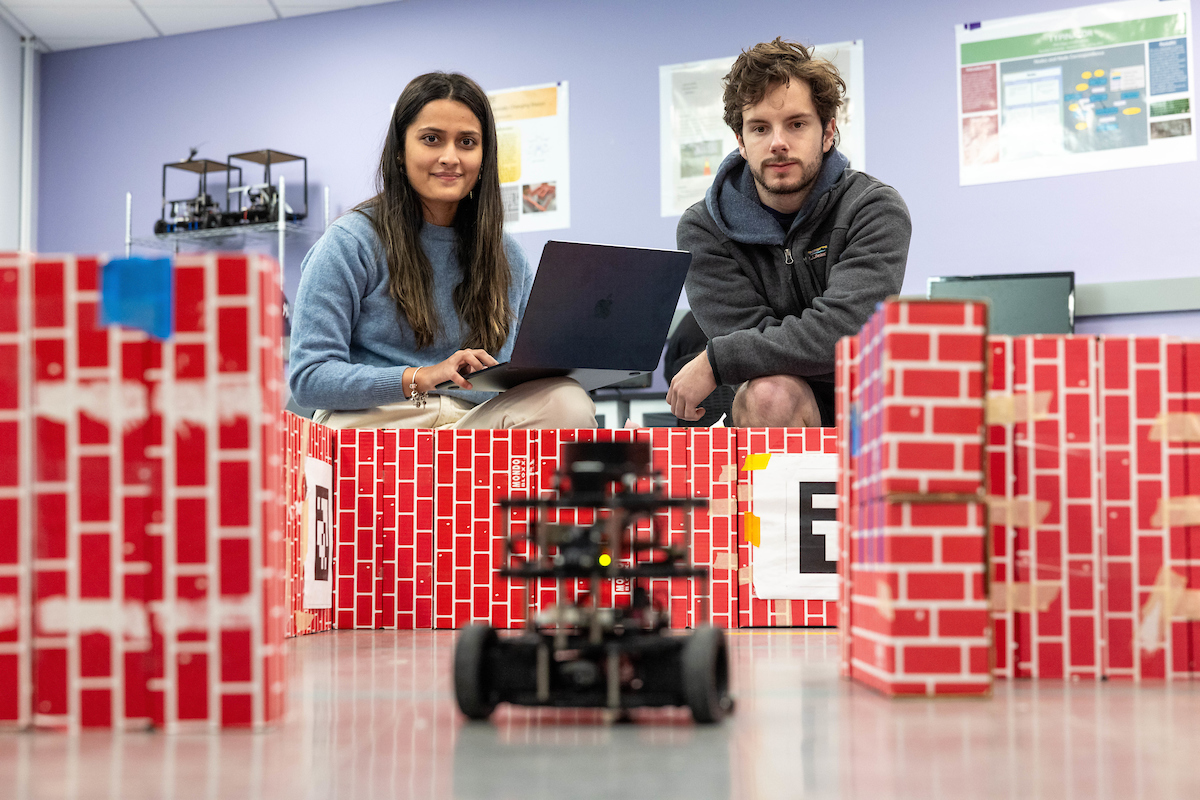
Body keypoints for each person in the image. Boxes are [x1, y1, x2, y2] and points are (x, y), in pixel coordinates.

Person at [289, 72, 595, 430]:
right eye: (431, 139)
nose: (450, 157)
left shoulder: (507, 256)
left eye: (467, 142)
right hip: (376, 423)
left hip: (470, 425)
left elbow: (520, 376)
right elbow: (309, 378)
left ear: (483, 158)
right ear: (400, 152)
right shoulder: (349, 241)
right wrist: (421, 376)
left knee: (568, 400)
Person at [667, 38, 910, 427]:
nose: (778, 143)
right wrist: (749, 355)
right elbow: (753, 350)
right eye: (760, 128)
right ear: (742, 143)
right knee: (770, 391)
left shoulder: (873, 208)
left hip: (870, 405)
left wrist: (718, 360)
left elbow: (849, 333)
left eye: (797, 124)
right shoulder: (704, 229)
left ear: (828, 132)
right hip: (779, 405)